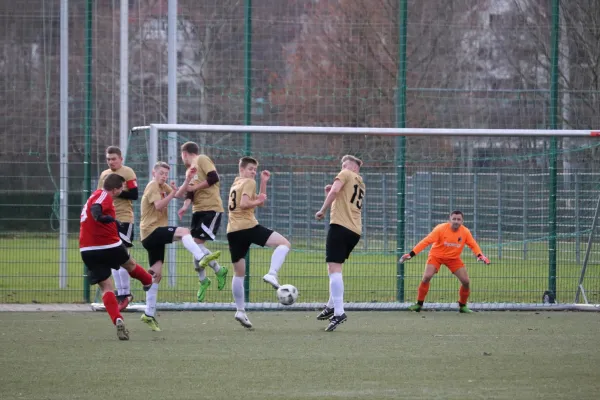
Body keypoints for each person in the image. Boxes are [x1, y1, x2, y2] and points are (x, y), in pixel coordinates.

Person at [139, 161, 220, 331]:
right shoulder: (153, 185)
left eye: (166, 174)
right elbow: (160, 206)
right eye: (161, 173)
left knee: (156, 275)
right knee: (184, 231)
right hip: (151, 232)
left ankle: (148, 314)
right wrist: (171, 193)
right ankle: (201, 257)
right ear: (154, 173)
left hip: (153, 236)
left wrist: (187, 180)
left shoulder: (162, 186)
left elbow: (178, 195)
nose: (164, 176)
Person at [79, 173, 154, 340]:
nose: (122, 191)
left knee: (106, 287)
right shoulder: (103, 195)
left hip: (87, 249)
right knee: (130, 265)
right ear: (115, 189)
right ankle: (148, 281)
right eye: (121, 188)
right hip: (108, 245)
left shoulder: (93, 195)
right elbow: (96, 210)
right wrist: (105, 218)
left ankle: (117, 318)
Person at [226, 156, 291, 329]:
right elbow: (246, 203)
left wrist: (263, 182)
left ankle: (240, 310)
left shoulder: (236, 183)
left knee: (238, 274)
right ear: (242, 169)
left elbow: (258, 202)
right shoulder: (248, 182)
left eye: (255, 170)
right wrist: (256, 197)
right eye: (250, 169)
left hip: (233, 231)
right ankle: (272, 273)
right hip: (248, 227)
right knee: (284, 244)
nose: (253, 172)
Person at [399, 210, 491, 313]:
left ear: (462, 221)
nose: (456, 221)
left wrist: (480, 255)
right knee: (426, 277)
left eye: (458, 219)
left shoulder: (465, 232)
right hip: (436, 256)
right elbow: (426, 241)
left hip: (453, 259)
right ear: (449, 220)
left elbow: (473, 244)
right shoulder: (440, 229)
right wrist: (411, 254)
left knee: (466, 282)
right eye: (454, 219)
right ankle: (419, 304)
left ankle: (463, 306)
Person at [315, 155, 365, 332]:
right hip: (354, 231)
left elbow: (335, 191)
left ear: (353, 167)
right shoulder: (360, 183)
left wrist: (322, 210)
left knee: (334, 269)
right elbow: (339, 196)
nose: (342, 168)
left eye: (345, 165)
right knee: (335, 268)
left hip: (340, 227)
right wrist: (330, 194)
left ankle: (339, 311)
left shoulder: (345, 174)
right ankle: (330, 306)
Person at [175, 141, 227, 303]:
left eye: (181, 155)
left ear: (185, 153)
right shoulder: (189, 171)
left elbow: (213, 178)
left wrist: (194, 188)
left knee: (196, 244)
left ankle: (217, 271)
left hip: (211, 209)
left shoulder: (202, 159)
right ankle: (206, 278)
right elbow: (190, 193)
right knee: (195, 246)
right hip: (197, 210)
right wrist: (184, 207)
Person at [97, 145, 138, 311]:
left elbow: (134, 194)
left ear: (121, 159)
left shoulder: (127, 172)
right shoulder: (104, 175)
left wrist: (116, 191)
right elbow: (100, 195)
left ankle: (125, 294)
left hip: (124, 219)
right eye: (108, 159)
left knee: (122, 257)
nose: (111, 162)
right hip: (108, 220)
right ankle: (120, 294)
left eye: (114, 158)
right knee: (111, 258)